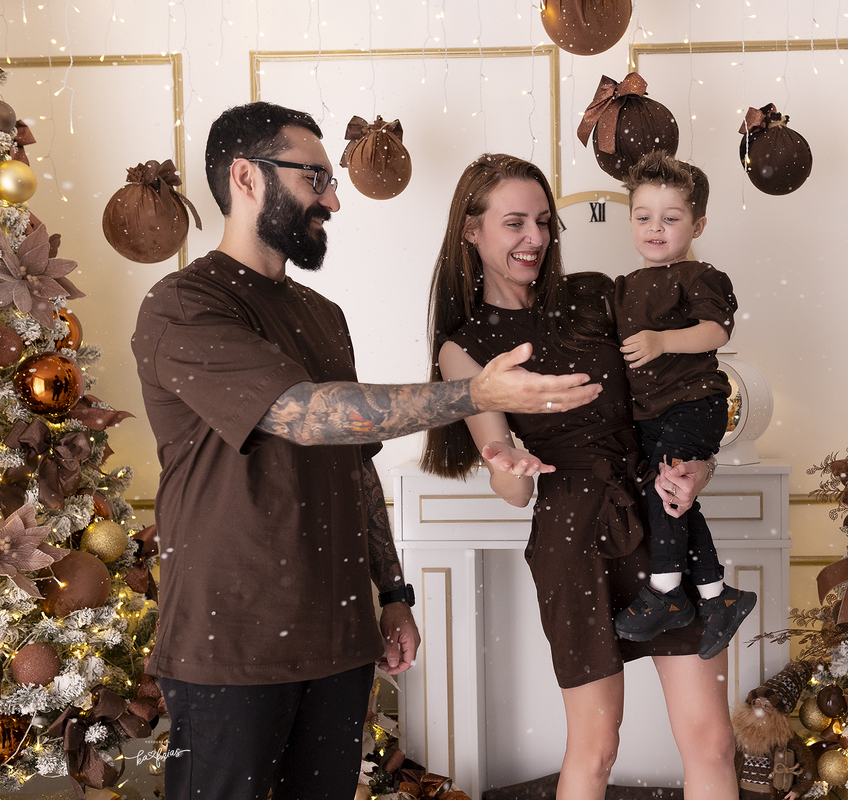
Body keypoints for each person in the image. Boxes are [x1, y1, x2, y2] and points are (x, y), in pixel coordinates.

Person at [131, 103, 601, 800]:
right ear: (245, 177)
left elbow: (353, 461)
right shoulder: (182, 305)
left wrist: (394, 592)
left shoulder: (323, 316)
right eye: (315, 177)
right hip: (230, 646)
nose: (333, 198)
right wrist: (476, 393)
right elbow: (307, 416)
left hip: (339, 644)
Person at [421, 153, 738, 800]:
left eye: (543, 221)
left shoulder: (597, 292)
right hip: (569, 530)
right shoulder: (463, 345)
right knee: (595, 749)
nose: (534, 238)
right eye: (514, 223)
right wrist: (504, 464)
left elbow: (677, 388)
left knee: (711, 742)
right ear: (471, 232)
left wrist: (700, 464)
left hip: (658, 512)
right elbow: (510, 489)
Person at [612, 152, 756, 659]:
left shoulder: (698, 275)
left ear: (697, 224)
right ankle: (718, 598)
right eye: (643, 216)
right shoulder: (625, 285)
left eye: (671, 219)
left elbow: (716, 330)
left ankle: (669, 593)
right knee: (674, 500)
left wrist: (661, 341)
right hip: (653, 414)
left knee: (666, 491)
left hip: (693, 405)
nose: (656, 228)